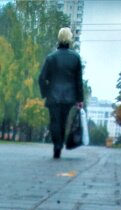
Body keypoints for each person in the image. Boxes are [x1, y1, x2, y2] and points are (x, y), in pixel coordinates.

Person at [38, 27, 84, 159]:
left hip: (53, 95)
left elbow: (41, 78)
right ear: (69, 39)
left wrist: (45, 93)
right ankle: (59, 145)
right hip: (69, 97)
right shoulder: (75, 58)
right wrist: (79, 99)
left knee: (54, 121)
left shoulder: (51, 58)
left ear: (59, 39)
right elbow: (78, 81)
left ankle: (57, 145)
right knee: (63, 121)